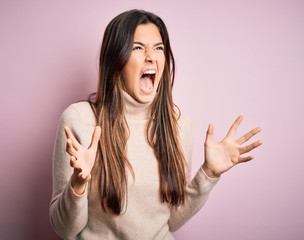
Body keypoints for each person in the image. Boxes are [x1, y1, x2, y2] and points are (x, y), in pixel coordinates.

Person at [49, 9, 262, 240]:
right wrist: (78, 183)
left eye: (159, 48)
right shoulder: (80, 120)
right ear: (116, 59)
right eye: (138, 47)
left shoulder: (179, 124)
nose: (151, 56)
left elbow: (170, 219)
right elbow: (65, 229)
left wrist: (208, 174)